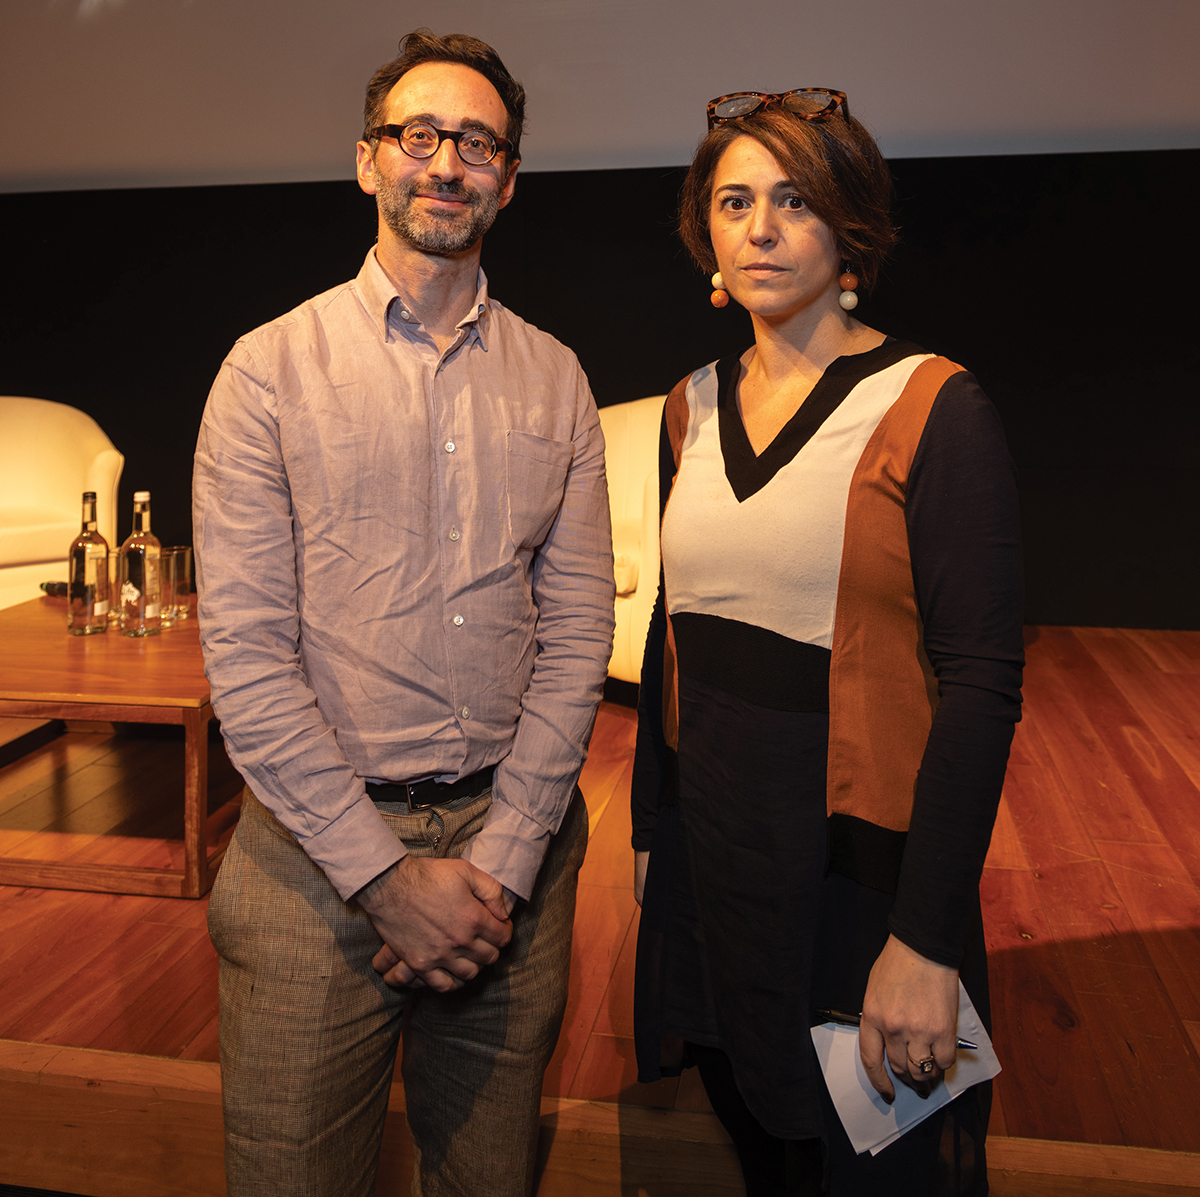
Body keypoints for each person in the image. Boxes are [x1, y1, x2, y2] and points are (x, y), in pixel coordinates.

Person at [193, 29, 615, 1197]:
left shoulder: (558, 379)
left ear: (509, 178)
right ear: (368, 160)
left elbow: (579, 638)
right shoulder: (266, 372)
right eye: (417, 136)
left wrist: (506, 860)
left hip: (507, 874)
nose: (446, 162)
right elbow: (246, 659)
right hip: (307, 872)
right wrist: (384, 879)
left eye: (476, 142)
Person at [630, 88, 1024, 1196]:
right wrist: (654, 849)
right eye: (733, 201)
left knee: (874, 1178)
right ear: (703, 231)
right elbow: (675, 635)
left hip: (859, 889)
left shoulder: (933, 405)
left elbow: (985, 687)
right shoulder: (686, 408)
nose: (759, 228)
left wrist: (927, 940)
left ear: (848, 227)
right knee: (764, 1156)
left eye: (792, 200)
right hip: (719, 875)